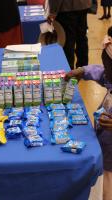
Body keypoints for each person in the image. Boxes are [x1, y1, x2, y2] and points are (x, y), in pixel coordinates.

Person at [65, 26, 112, 200]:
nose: (105, 71)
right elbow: (102, 74)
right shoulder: (110, 76)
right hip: (104, 151)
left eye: (109, 68)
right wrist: (84, 71)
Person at [47, 0, 91, 69]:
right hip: (83, 5)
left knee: (68, 42)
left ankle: (69, 71)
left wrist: (53, 12)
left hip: (67, 8)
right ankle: (83, 69)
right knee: (81, 38)